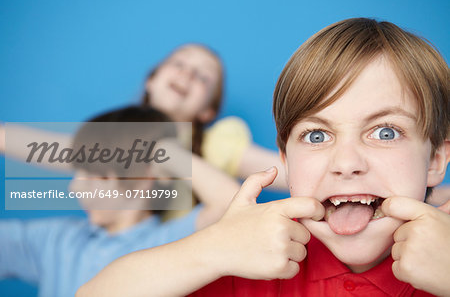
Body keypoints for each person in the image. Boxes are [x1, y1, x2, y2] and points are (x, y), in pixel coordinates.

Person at [76, 18, 450, 297]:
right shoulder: (252, 262)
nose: (346, 161)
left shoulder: (220, 141)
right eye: (316, 135)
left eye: (386, 132)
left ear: (435, 158)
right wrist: (215, 248)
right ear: (286, 160)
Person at [0, 106, 240, 297]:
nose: (74, 186)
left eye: (92, 172)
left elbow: (232, 203)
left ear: (145, 175)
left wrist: (163, 151)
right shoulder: (57, 240)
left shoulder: (170, 243)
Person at [0, 43, 287, 191]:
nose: (187, 73)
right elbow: (55, 150)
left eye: (203, 76)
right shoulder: (119, 140)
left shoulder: (217, 145)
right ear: (151, 80)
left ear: (207, 112)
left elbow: (286, 173)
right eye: (179, 63)